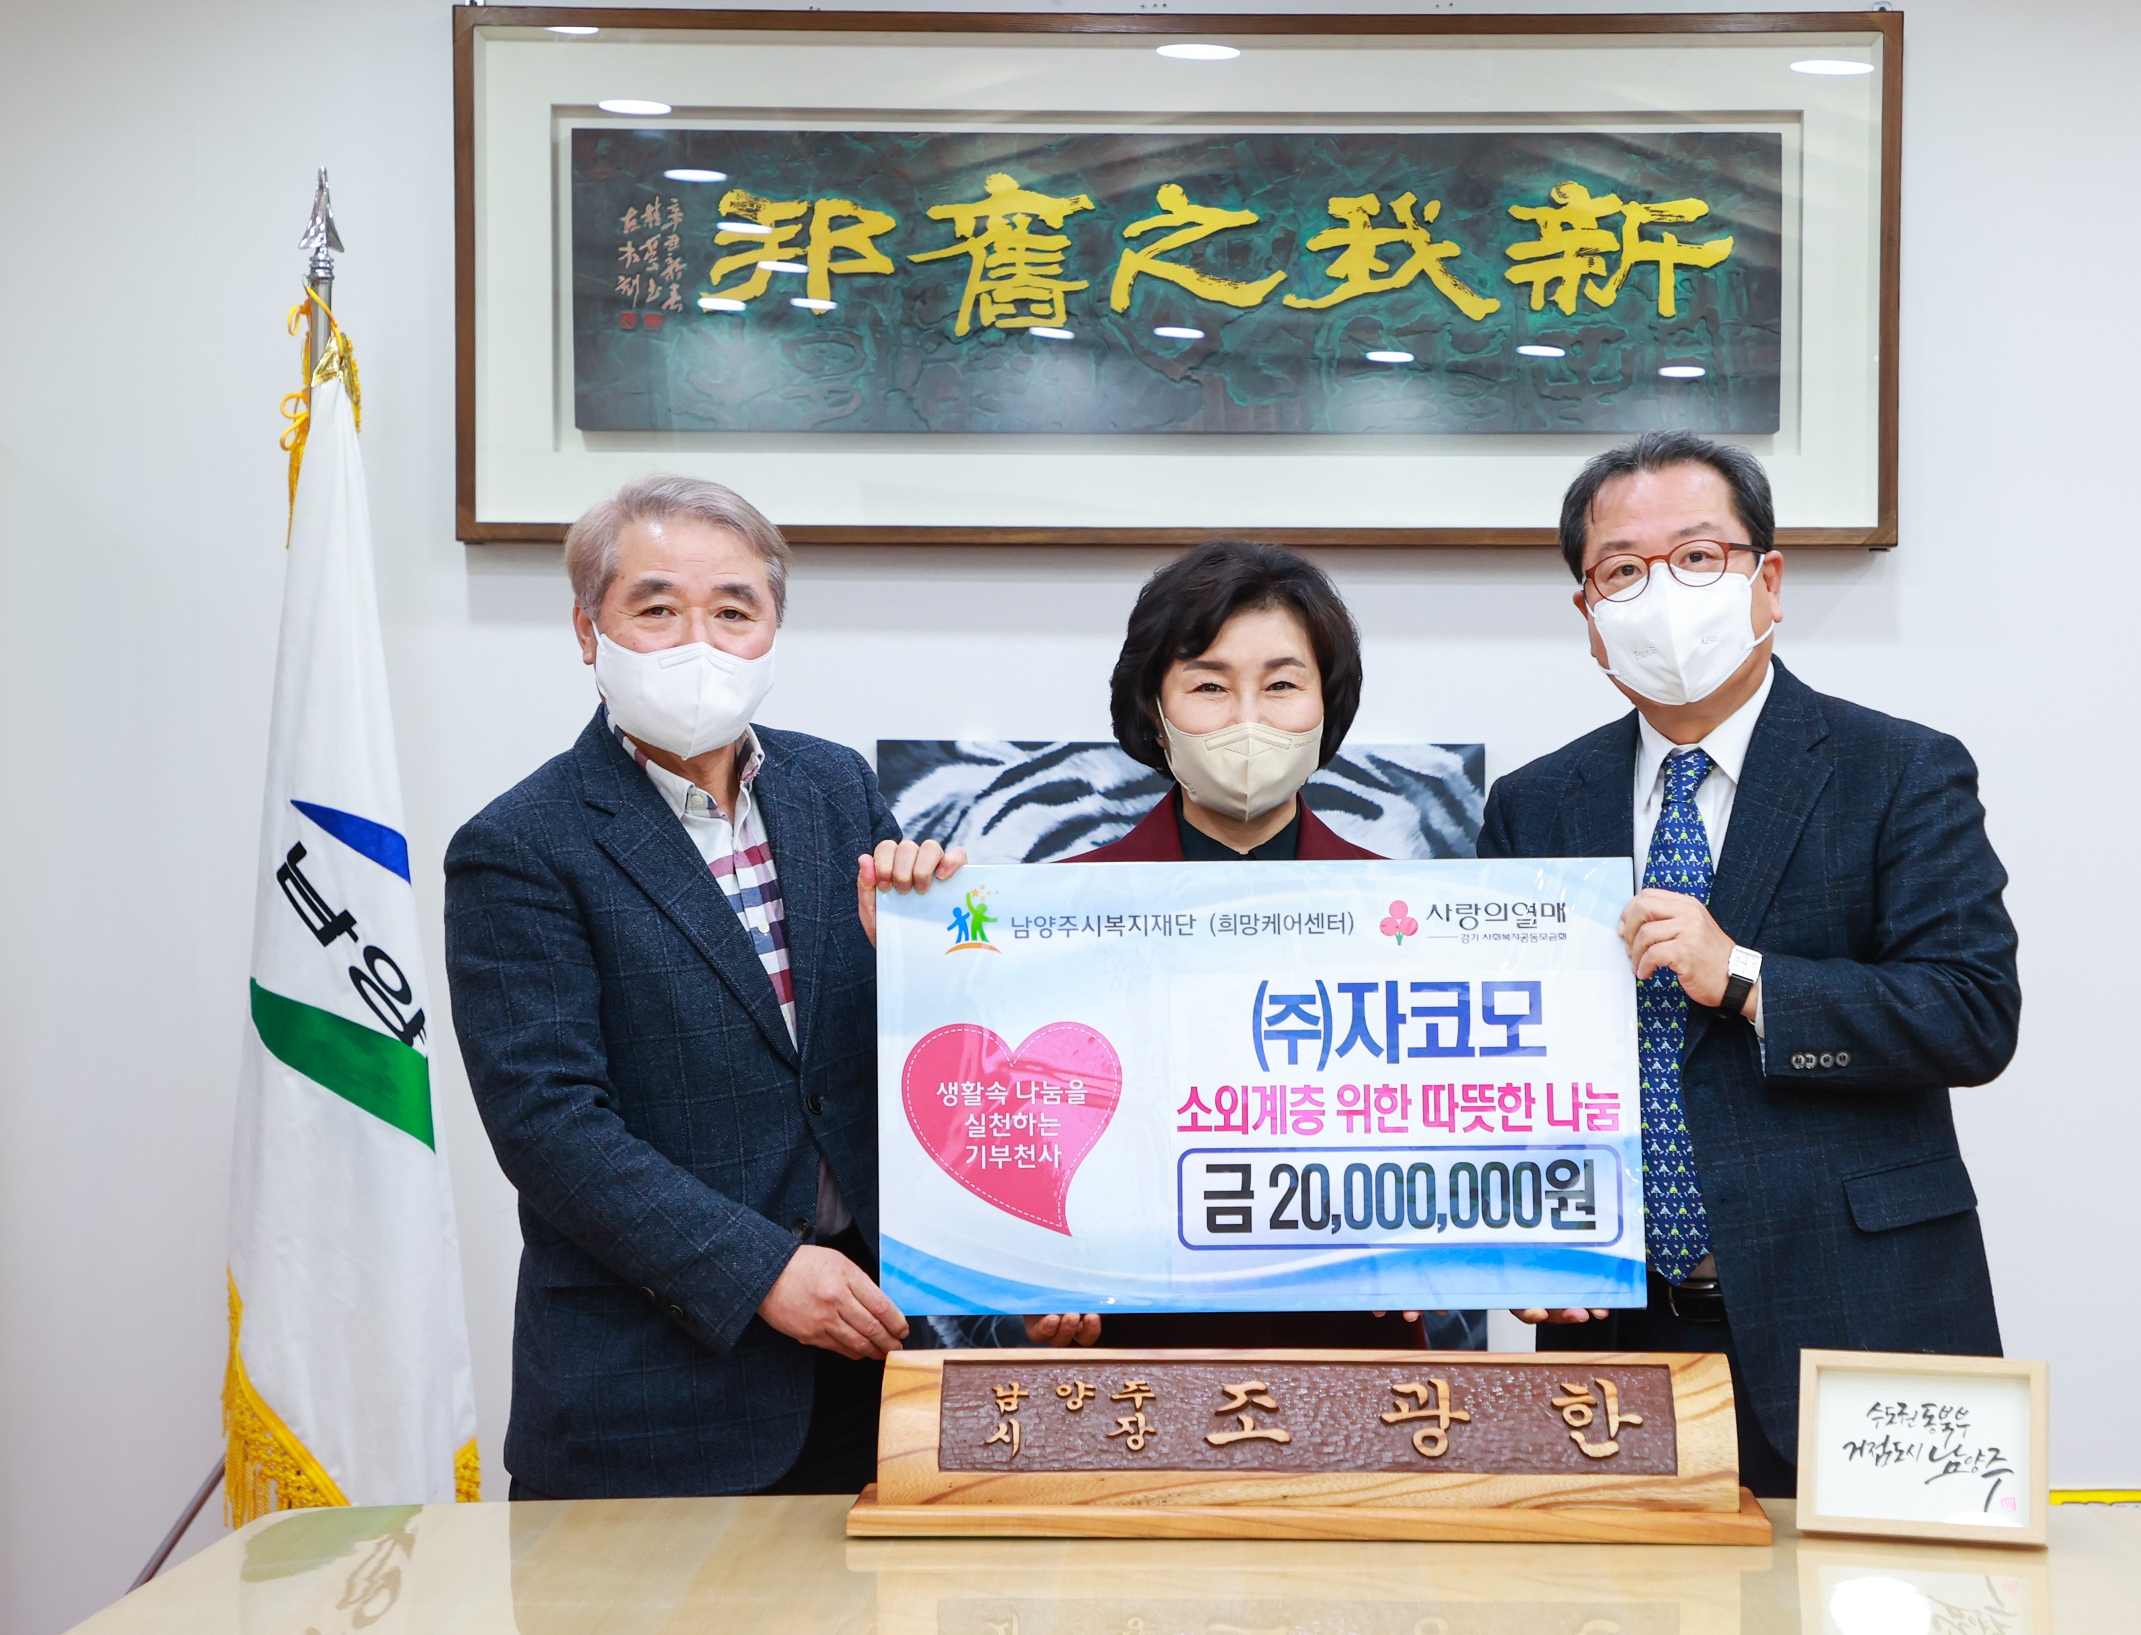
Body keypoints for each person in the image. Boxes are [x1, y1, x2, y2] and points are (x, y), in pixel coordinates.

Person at [1479, 431, 2019, 1497]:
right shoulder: (1533, 804)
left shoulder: (1899, 769)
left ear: (1766, 582)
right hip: (1617, 1336)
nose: (1660, 594)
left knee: (1899, 1589)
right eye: (1622, 571)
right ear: (1588, 616)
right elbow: (1505, 1065)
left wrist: (1744, 975)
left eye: (1696, 558)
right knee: (1613, 1593)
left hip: (1864, 1310)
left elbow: (1970, 1013)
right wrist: (1522, 1239)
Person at [444, 475, 961, 1500]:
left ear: (770, 631)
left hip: (873, 1360)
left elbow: (898, 1064)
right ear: (588, 631)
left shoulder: (836, 788)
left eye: (732, 610)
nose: (699, 643)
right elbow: (549, 1125)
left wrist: (922, 962)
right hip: (653, 1395)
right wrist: (757, 1269)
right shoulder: (519, 845)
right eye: (656, 609)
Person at [916, 541, 1423, 1353]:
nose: (1248, 719)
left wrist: (1456, 1256)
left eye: (1282, 685)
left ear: (1327, 705)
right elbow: (1008, 1142)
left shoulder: (1415, 917)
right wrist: (1029, 1286)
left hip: (1353, 1356)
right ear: (1154, 710)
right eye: (1208, 686)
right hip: (1129, 1362)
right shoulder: (1051, 917)